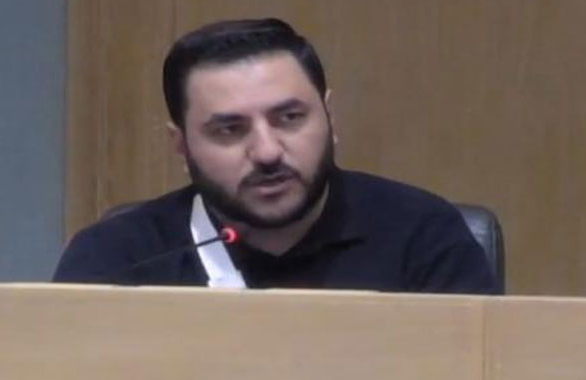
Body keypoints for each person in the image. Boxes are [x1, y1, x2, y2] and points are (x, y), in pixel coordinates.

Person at [54, 18, 497, 294]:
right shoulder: (119, 257)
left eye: (289, 118)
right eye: (229, 130)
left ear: (329, 118)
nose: (267, 152)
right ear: (182, 146)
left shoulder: (420, 235)